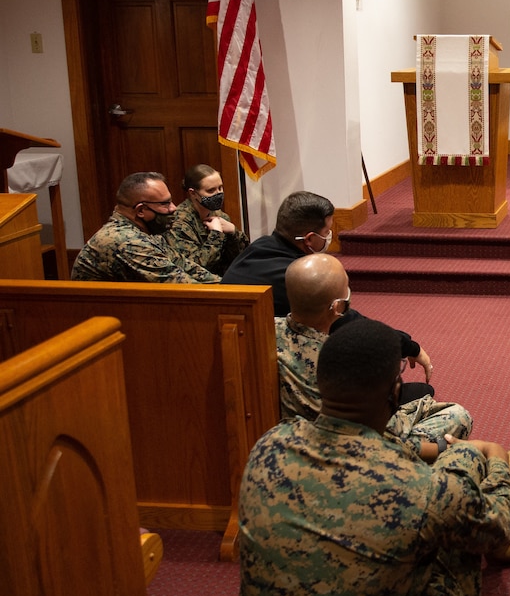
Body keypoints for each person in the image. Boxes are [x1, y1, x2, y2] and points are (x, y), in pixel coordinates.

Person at [238, 319, 510, 596]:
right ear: (395, 392)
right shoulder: (418, 488)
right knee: (456, 527)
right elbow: (498, 527)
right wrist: (493, 459)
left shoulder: (267, 447)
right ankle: (506, 485)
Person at [222, 190, 435, 385]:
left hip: (231, 355)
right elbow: (351, 324)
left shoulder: (258, 247)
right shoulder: (297, 276)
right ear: (310, 239)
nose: (329, 237)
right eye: (327, 231)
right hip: (262, 372)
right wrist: (409, 346)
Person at [276, 254, 468, 461]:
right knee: (458, 415)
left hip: (294, 438)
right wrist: (435, 447)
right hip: (354, 448)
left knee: (422, 394)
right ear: (338, 307)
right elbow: (381, 428)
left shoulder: (265, 331)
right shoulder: (343, 356)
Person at [71, 171, 221, 283]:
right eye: (165, 203)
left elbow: (186, 266)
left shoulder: (146, 232)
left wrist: (228, 285)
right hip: (101, 321)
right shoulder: (126, 241)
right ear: (141, 210)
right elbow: (181, 285)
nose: (174, 208)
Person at [165, 164, 249, 276]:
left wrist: (234, 232)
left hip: (227, 280)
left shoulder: (220, 216)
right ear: (193, 193)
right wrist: (216, 234)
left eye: (220, 188)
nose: (218, 194)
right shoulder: (179, 223)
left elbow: (241, 258)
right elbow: (195, 267)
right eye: (211, 190)